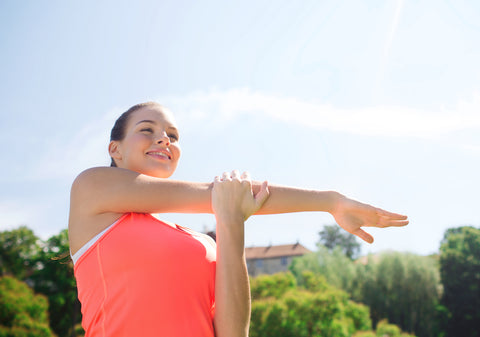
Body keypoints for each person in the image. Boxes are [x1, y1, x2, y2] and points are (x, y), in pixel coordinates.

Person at [68, 101, 408, 337]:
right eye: (148, 129)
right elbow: (217, 194)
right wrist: (329, 201)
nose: (164, 139)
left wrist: (231, 223)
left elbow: (233, 333)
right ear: (115, 150)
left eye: (173, 135)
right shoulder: (91, 189)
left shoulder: (201, 244)